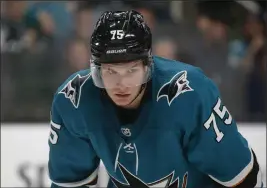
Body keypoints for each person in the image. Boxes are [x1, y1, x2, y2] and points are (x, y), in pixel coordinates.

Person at [48, 10, 263, 188]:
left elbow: (243, 178)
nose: (121, 84)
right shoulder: (74, 99)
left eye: (131, 70)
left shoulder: (189, 94)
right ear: (96, 69)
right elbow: (69, 183)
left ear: (147, 66)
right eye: (111, 71)